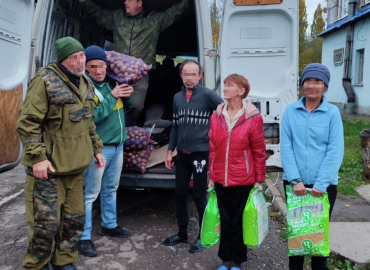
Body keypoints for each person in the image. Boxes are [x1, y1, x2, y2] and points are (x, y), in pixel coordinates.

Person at [17, 37, 105, 270]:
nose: (79, 61)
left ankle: (64, 262)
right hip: (50, 169)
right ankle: (37, 265)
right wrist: (38, 158)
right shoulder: (45, 80)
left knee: (73, 221)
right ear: (63, 59)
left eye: (82, 56)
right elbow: (28, 122)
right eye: (74, 57)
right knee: (45, 224)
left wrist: (96, 148)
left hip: (76, 168)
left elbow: (89, 122)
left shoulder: (86, 81)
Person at [78, 0, 190, 126]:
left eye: (129, 0)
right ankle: (108, 130)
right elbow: (97, 13)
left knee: (136, 106)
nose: (125, 2)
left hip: (139, 75)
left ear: (139, 3)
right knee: (107, 101)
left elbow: (174, 13)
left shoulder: (153, 21)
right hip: (116, 72)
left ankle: (126, 129)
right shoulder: (116, 18)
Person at [281, 63, 344, 270]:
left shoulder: (332, 113)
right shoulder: (291, 111)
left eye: (318, 82)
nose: (312, 86)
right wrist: (295, 180)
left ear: (325, 87)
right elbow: (287, 146)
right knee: (297, 234)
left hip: (323, 187)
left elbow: (335, 150)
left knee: (318, 233)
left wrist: (321, 183)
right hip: (295, 184)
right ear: (302, 85)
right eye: (308, 81)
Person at [77, 45, 134, 258]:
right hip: (98, 149)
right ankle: (83, 237)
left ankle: (109, 225)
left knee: (111, 188)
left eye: (102, 66)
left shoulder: (112, 82)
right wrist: (113, 95)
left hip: (118, 146)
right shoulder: (85, 87)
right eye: (93, 66)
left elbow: (128, 105)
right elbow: (91, 117)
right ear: (86, 67)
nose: (99, 70)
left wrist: (127, 95)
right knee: (90, 193)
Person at [164, 60, 223, 253]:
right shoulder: (177, 98)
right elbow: (175, 126)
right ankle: (182, 233)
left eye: (193, 74)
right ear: (181, 75)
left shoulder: (207, 95)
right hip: (182, 155)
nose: (189, 78)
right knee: (180, 194)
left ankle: (202, 236)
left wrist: (213, 131)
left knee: (199, 195)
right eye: (186, 74)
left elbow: (224, 113)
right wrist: (169, 151)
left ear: (200, 76)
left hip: (201, 154)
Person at [208, 74, 266, 270]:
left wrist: (259, 179)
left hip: (243, 178)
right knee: (224, 220)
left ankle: (238, 262)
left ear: (241, 91)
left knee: (239, 220)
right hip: (220, 178)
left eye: (229, 85)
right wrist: (211, 174)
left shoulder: (253, 117)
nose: (225, 88)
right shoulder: (216, 115)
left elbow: (259, 150)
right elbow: (213, 147)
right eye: (224, 85)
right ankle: (225, 260)